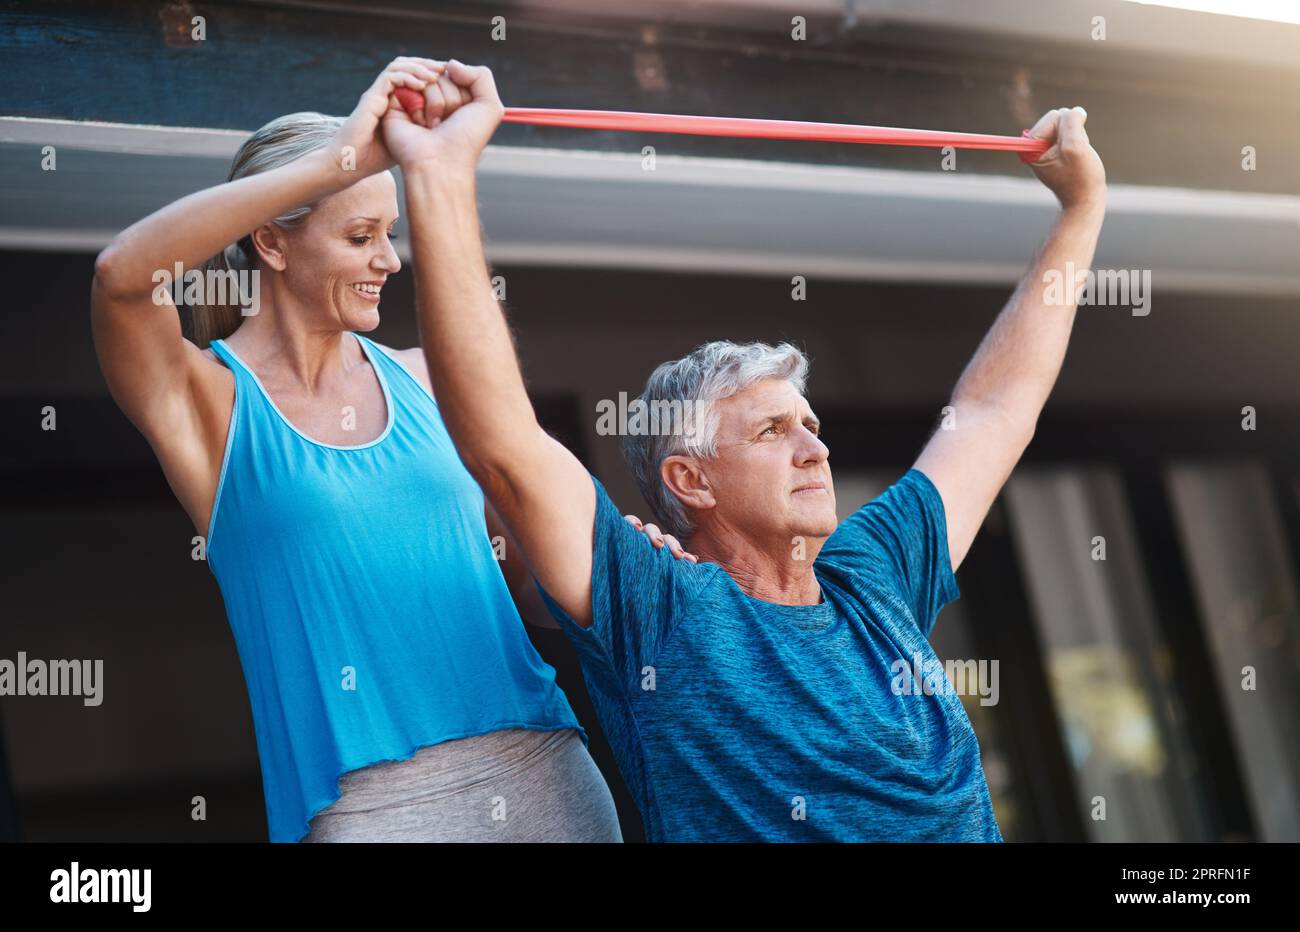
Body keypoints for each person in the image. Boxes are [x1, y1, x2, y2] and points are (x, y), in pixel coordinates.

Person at [393, 57, 1106, 840]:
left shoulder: (873, 575)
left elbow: (994, 412)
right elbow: (503, 446)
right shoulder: (661, 608)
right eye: (774, 430)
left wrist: (1081, 209)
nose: (814, 450)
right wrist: (439, 173)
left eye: (812, 426)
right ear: (690, 478)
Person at [90, 58, 661, 843]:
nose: (389, 260)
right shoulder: (207, 404)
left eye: (388, 233)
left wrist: (635, 575)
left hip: (544, 773)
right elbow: (121, 276)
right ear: (271, 243)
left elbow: (531, 576)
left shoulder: (431, 379)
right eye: (361, 235)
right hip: (372, 810)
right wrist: (339, 160)